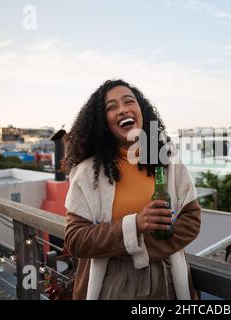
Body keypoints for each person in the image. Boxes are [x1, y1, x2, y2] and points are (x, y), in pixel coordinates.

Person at [62, 79, 201, 300]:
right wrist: (135, 224)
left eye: (129, 101)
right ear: (101, 122)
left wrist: (143, 251)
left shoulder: (169, 163)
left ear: (141, 109)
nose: (123, 109)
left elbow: (191, 219)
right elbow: (76, 239)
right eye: (111, 107)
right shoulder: (87, 173)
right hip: (111, 283)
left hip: (168, 281)